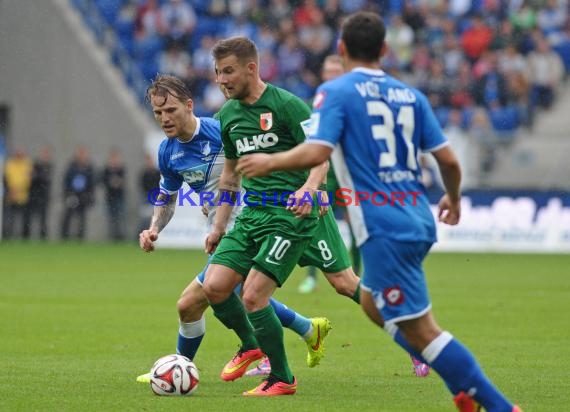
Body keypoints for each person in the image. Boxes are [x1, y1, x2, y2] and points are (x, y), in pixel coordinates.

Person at [236, 12, 522, 412]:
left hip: (384, 227)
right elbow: (450, 162)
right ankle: (462, 387)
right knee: (372, 303)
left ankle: (495, 403)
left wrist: (269, 163)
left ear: (341, 49)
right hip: (418, 217)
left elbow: (318, 151)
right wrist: (453, 200)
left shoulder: (337, 92)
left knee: (423, 330)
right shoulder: (411, 96)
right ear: (385, 50)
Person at [135, 74, 356, 383]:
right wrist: (154, 227)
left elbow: (272, 154)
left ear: (189, 105)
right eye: (159, 113)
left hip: (254, 220)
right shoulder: (168, 152)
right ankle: (307, 329)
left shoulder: (218, 129)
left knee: (206, 298)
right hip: (226, 226)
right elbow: (167, 197)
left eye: (171, 110)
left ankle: (244, 351)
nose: (165, 119)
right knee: (225, 295)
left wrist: (310, 186)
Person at [298, 54, 364, 296]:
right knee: (314, 221)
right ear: (324, 74)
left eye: (338, 71)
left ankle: (357, 274)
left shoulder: (354, 102)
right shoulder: (315, 103)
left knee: (356, 223)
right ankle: (312, 278)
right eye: (330, 71)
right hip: (322, 170)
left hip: (349, 172)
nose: (334, 74)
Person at [61, 146, 95, 240]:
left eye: (83, 153)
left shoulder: (88, 167)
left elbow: (92, 183)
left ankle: (80, 237)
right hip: (72, 195)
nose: (82, 156)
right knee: (68, 216)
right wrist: (68, 194)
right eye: (80, 153)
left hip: (83, 196)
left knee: (82, 218)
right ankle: (64, 236)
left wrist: (89, 196)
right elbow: (66, 181)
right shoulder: (71, 167)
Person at [23, 145, 53, 240]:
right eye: (43, 153)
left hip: (43, 196)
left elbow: (44, 178)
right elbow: (30, 177)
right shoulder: (35, 164)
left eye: (46, 154)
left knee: (43, 218)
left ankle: (42, 238)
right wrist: (36, 176)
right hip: (32, 194)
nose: (45, 156)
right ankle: (25, 237)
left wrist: (36, 176)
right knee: (28, 217)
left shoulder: (50, 166)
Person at [2, 148, 32, 239]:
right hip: (10, 195)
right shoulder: (10, 164)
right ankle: (8, 236)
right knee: (9, 218)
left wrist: (19, 188)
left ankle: (24, 237)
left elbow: (27, 179)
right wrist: (11, 189)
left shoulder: (27, 164)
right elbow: (7, 178)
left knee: (24, 219)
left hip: (23, 196)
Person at [101, 148, 127, 241]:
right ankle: (112, 236)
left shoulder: (121, 169)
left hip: (119, 197)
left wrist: (117, 182)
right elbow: (103, 181)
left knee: (120, 217)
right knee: (111, 218)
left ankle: (120, 237)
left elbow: (123, 182)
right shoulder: (106, 170)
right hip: (110, 198)